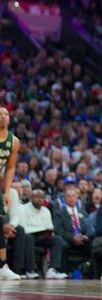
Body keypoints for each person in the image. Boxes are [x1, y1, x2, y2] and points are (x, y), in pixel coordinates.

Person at [0, 107, 21, 280]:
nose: (2, 117)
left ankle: (2, 265)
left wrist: (6, 191)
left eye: (5, 114)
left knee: (0, 222)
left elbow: (10, 167)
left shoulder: (13, 141)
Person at [52, 187, 92, 276]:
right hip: (68, 240)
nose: (71, 198)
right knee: (63, 244)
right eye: (69, 196)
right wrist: (72, 237)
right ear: (65, 199)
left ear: (77, 198)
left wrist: (85, 236)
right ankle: (64, 272)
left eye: (74, 196)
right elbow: (58, 230)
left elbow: (89, 229)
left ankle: (90, 272)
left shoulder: (84, 213)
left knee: (93, 243)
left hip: (82, 240)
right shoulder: (59, 213)